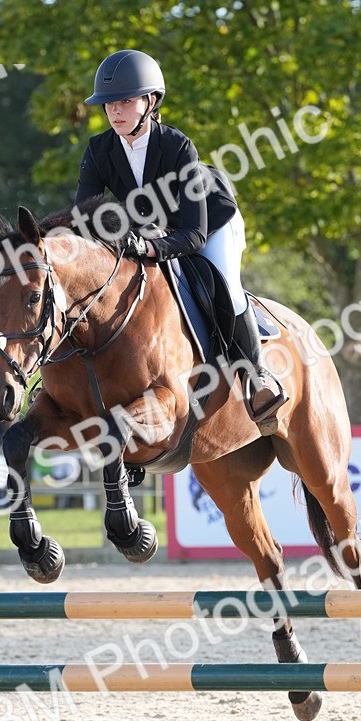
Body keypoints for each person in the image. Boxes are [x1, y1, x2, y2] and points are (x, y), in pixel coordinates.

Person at [74, 48, 287, 433]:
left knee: (225, 287)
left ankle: (258, 379)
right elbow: (84, 218)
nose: (115, 112)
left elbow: (194, 234)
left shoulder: (176, 146)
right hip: (151, 230)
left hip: (210, 223)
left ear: (150, 101)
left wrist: (148, 247)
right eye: (108, 105)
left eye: (124, 101)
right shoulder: (99, 149)